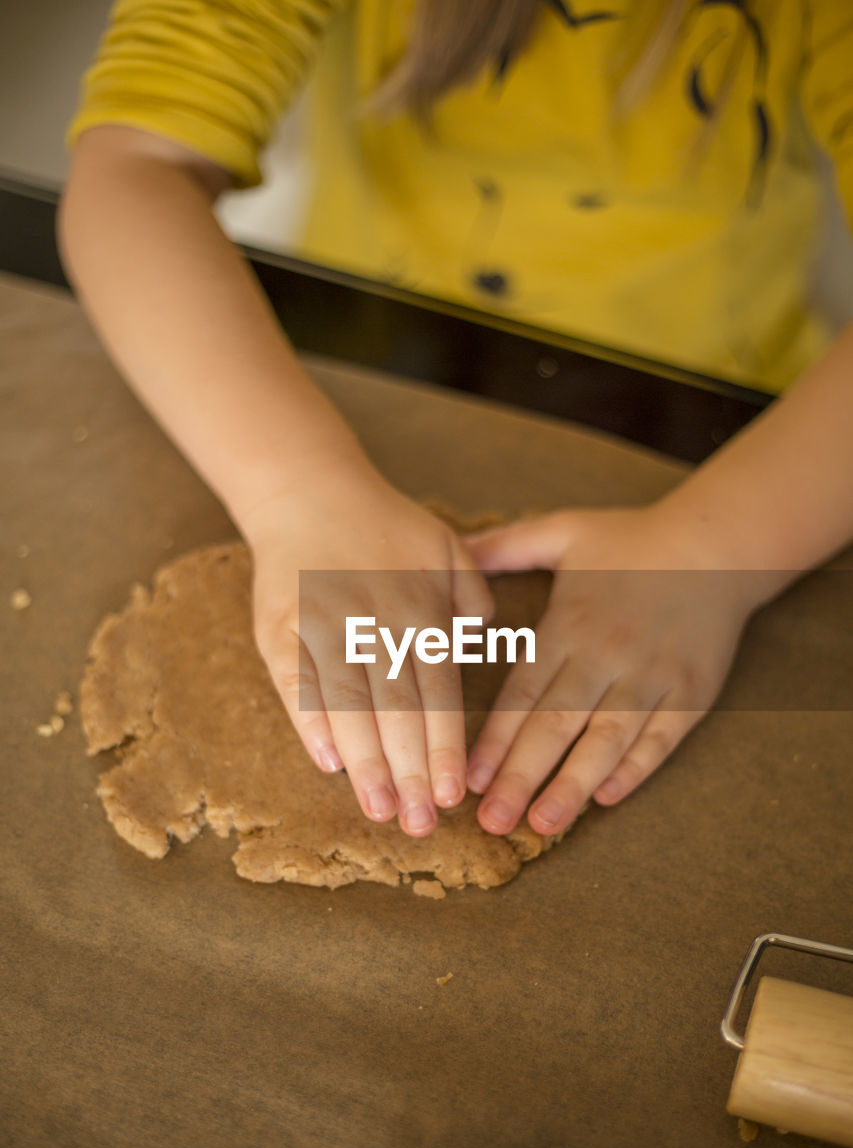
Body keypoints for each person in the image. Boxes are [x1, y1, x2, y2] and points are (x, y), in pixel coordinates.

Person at [59, 0, 853, 842]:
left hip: (711, 410)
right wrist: (295, 491)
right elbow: (132, 168)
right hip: (351, 354)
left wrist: (719, 552)